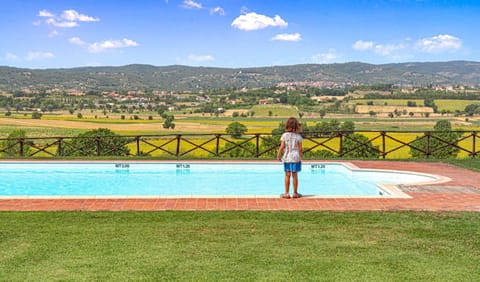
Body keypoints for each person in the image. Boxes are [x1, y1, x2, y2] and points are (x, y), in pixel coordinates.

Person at [277, 117, 303, 199]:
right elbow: (300, 149)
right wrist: (301, 156)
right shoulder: (298, 136)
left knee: (287, 175)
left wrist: (278, 155)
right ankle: (295, 193)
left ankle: (287, 193)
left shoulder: (284, 135)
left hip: (287, 157)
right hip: (295, 157)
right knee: (295, 175)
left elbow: (281, 147)